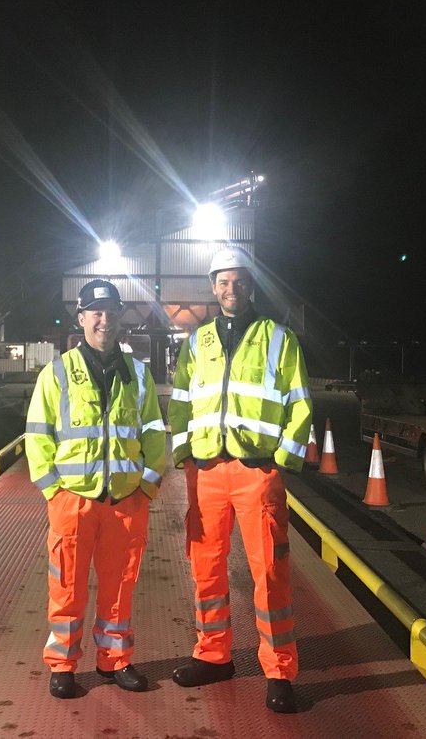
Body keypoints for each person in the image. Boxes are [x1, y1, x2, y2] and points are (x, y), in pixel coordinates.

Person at [166, 247, 312, 714]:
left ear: (251, 286)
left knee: (269, 571)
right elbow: (182, 400)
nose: (232, 290)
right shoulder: (196, 342)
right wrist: (185, 453)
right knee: (205, 567)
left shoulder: (278, 339)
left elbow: (300, 404)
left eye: (240, 282)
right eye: (223, 282)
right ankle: (213, 655)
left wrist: (281, 462)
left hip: (256, 472)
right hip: (207, 472)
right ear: (213, 287)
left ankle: (279, 671)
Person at [23, 278, 166, 699]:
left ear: (120, 318)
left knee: (120, 584)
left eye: (111, 311)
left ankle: (114, 661)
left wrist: (147, 489)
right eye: (95, 312)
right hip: (73, 502)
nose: (104, 320)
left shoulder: (138, 375)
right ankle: (64, 664)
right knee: (66, 585)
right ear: (82, 318)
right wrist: (53, 491)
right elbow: (36, 435)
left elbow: (156, 434)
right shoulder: (57, 373)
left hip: (125, 502)